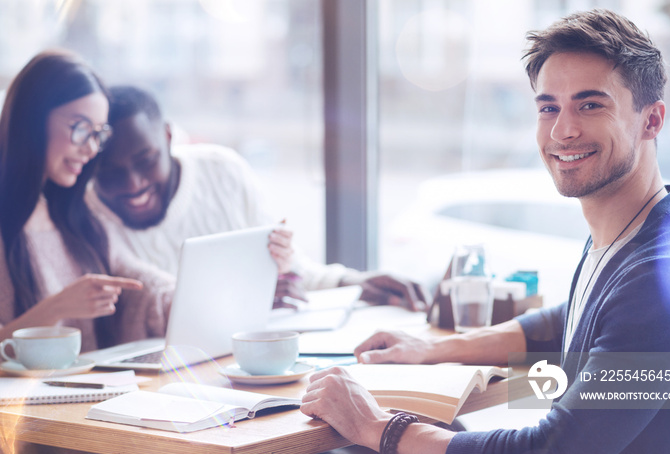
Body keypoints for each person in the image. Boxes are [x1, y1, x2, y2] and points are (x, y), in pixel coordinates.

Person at [300, 9, 670, 454]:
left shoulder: (664, 282)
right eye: (549, 107)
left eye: (591, 105)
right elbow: (569, 319)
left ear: (652, 121)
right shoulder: (636, 238)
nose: (561, 130)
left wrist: (374, 427)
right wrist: (432, 349)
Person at [86, 85, 429, 310]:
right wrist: (247, 304)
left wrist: (353, 282)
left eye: (146, 160)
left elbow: (285, 270)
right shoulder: (85, 214)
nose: (133, 184)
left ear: (168, 136)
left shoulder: (222, 171)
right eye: (110, 172)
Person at [0, 50, 178, 352]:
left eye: (98, 134)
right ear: (32, 119)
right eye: (81, 128)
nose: (91, 148)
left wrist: (185, 297)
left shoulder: (73, 215)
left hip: (89, 393)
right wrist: (56, 308)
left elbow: (136, 278)